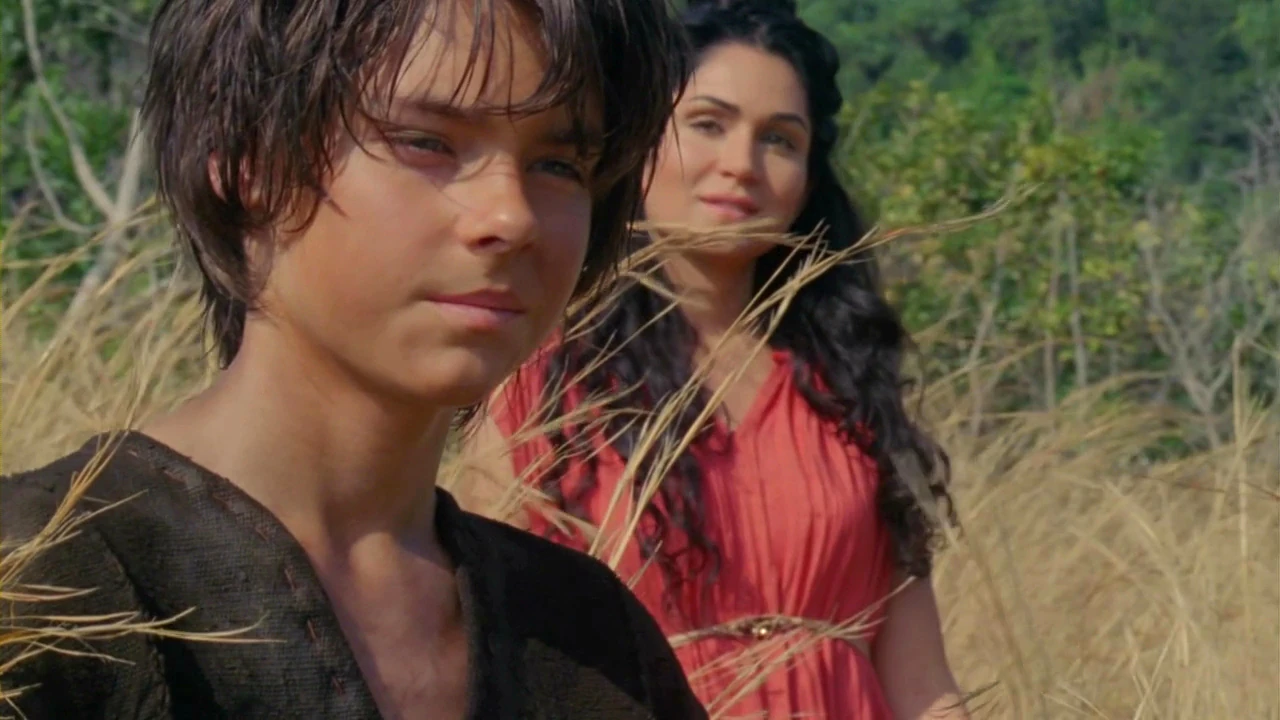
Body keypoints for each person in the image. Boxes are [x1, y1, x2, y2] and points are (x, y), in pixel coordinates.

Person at [0, 0, 710, 718]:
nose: (512, 216)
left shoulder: (593, 639)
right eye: (426, 142)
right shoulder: (37, 582)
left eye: (559, 164)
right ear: (247, 160)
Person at [460, 0, 971, 717]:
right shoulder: (540, 381)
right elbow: (487, 647)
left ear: (809, 179)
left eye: (780, 140)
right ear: (639, 141)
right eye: (708, 123)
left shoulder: (850, 390)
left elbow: (924, 685)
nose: (740, 165)